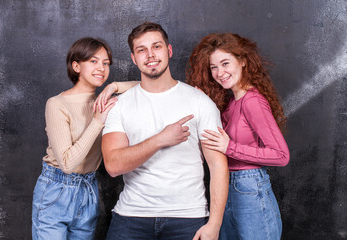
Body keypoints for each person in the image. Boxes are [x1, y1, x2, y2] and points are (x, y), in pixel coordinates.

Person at [101, 22, 229, 240]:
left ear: (169, 51)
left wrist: (214, 224)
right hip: (131, 217)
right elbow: (113, 165)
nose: (150, 55)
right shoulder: (120, 105)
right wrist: (160, 139)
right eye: (142, 50)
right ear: (134, 58)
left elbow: (217, 165)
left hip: (188, 218)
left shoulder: (199, 102)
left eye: (157, 47)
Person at [186, 33, 290, 240]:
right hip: (227, 185)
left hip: (249, 187)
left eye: (225, 63)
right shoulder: (233, 101)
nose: (219, 72)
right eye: (213, 67)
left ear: (242, 61)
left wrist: (229, 147)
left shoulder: (252, 101)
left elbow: (281, 155)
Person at [31, 37, 117, 240]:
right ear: (76, 66)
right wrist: (97, 121)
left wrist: (113, 87)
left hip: (88, 190)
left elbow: (144, 83)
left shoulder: (104, 101)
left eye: (106, 63)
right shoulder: (57, 104)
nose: (101, 68)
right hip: (56, 190)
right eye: (93, 61)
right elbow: (67, 163)